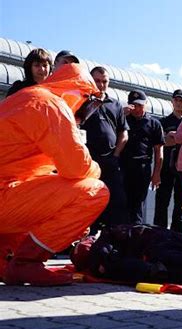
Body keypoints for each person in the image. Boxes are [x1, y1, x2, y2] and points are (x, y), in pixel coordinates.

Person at [0, 63, 109, 286]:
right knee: (95, 191)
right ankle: (26, 263)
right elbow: (77, 168)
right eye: (89, 104)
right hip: (5, 195)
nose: (86, 112)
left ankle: (4, 259)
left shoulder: (25, 98)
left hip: (8, 188)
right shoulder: (50, 104)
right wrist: (72, 213)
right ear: (79, 93)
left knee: (47, 189)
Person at [76, 66, 130, 230]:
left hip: (110, 161)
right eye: (97, 81)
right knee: (86, 201)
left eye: (104, 81)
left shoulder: (115, 105)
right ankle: (84, 241)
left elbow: (124, 133)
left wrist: (116, 155)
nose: (101, 84)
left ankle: (115, 241)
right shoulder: (82, 101)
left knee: (117, 202)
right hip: (87, 162)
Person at [121, 90, 164, 224]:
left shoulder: (154, 124)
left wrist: (156, 173)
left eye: (140, 105)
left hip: (142, 168)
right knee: (121, 203)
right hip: (123, 166)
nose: (138, 109)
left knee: (137, 205)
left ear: (146, 104)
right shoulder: (123, 119)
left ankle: (135, 236)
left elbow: (159, 151)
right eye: (134, 105)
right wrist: (121, 114)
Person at [154, 89, 182, 233]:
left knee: (181, 204)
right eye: (176, 100)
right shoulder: (164, 122)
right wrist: (181, 138)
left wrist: (176, 137)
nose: (179, 103)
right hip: (166, 167)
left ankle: (177, 234)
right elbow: (162, 142)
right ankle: (158, 233)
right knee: (162, 201)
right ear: (172, 102)